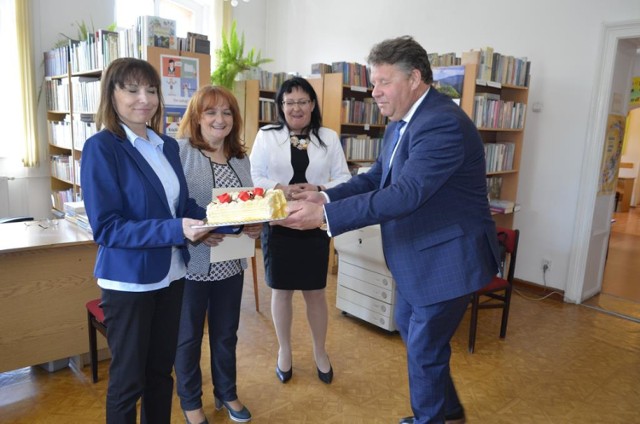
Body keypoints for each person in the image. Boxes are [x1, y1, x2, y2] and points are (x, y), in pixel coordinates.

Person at [277, 36, 501, 424]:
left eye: (383, 82)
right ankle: (449, 413)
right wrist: (324, 198)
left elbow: (406, 193)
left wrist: (325, 220)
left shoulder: (441, 123)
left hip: (447, 261)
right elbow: (378, 178)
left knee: (425, 348)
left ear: (414, 78)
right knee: (415, 336)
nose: (374, 92)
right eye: (372, 83)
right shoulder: (401, 123)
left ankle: (430, 418)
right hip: (418, 258)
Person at [80, 57, 212, 424]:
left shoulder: (166, 146)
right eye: (133, 89)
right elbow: (107, 227)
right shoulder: (102, 148)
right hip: (129, 282)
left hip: (171, 275)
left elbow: (181, 205)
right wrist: (176, 229)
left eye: (151, 90)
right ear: (112, 94)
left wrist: (228, 219)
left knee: (159, 375)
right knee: (127, 382)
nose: (145, 98)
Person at [250, 77, 351, 385]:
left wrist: (319, 188)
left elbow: (345, 179)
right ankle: (285, 351)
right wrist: (280, 188)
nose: (296, 108)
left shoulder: (329, 137)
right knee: (281, 291)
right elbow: (254, 175)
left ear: (312, 105)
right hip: (279, 222)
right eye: (289, 102)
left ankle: (320, 351)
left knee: (315, 293)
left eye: (302, 101)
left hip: (314, 222)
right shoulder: (267, 136)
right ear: (281, 107)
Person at [174, 85, 261, 424]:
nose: (219, 119)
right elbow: (174, 206)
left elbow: (249, 206)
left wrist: (256, 226)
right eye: (210, 112)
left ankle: (227, 391)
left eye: (226, 112)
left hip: (231, 263)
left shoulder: (241, 157)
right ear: (196, 116)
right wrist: (198, 229)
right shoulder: (180, 152)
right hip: (192, 264)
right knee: (189, 337)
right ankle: (190, 402)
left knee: (226, 333)